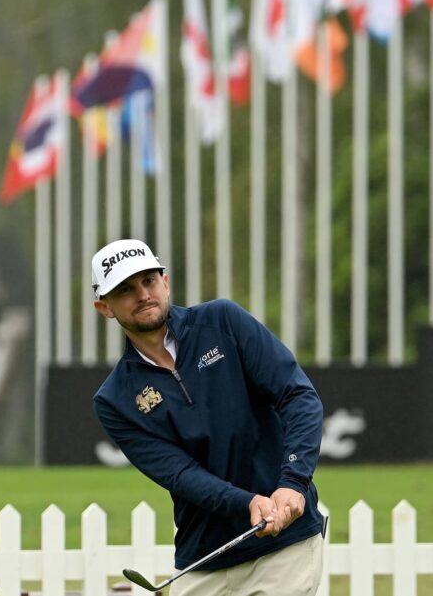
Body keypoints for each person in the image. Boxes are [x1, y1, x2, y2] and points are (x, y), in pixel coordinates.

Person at [90, 239, 325, 596]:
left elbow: (298, 396)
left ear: (165, 282)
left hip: (284, 545)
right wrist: (247, 503)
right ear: (104, 306)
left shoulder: (222, 321)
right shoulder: (115, 399)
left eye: (149, 281)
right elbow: (180, 474)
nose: (143, 295)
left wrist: (293, 482)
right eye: (125, 290)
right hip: (204, 556)